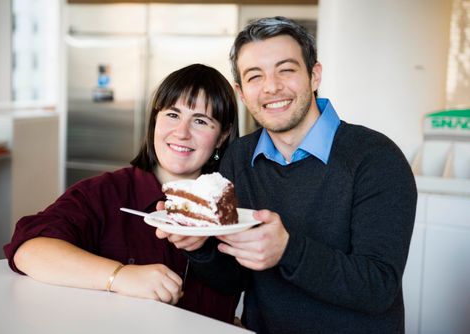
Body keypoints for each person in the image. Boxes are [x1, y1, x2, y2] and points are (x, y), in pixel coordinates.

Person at [157, 17, 417, 333]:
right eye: (255, 76)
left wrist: (288, 251)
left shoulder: (374, 157)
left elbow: (379, 287)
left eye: (286, 70)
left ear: (314, 75)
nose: (271, 86)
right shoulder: (239, 157)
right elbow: (234, 279)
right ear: (241, 91)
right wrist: (198, 246)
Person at [3, 64, 240, 323]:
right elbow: (29, 250)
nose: (181, 132)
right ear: (154, 120)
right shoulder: (106, 192)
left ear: (221, 136)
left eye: (200, 121)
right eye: (172, 115)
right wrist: (120, 275)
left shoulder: (235, 206)